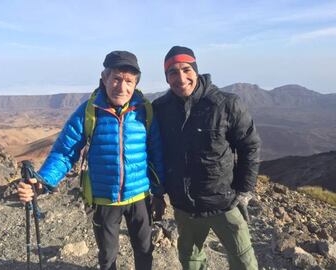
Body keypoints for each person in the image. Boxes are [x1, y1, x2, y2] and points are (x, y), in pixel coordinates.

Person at [17, 50, 164, 270]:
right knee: (107, 257)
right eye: (116, 79)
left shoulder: (144, 110)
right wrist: (43, 181)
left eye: (129, 81)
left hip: (140, 198)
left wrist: (159, 192)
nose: (122, 87)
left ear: (135, 84)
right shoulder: (88, 111)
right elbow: (65, 152)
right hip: (104, 200)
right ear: (104, 78)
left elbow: (156, 153)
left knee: (144, 252)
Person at [152, 46, 261, 270]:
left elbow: (249, 145)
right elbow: (155, 152)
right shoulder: (161, 109)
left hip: (224, 202)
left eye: (186, 69)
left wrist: (243, 190)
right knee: (190, 259)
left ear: (196, 70)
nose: (180, 78)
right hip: (184, 206)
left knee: (243, 260)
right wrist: (158, 191)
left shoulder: (226, 104)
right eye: (172, 72)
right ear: (166, 77)